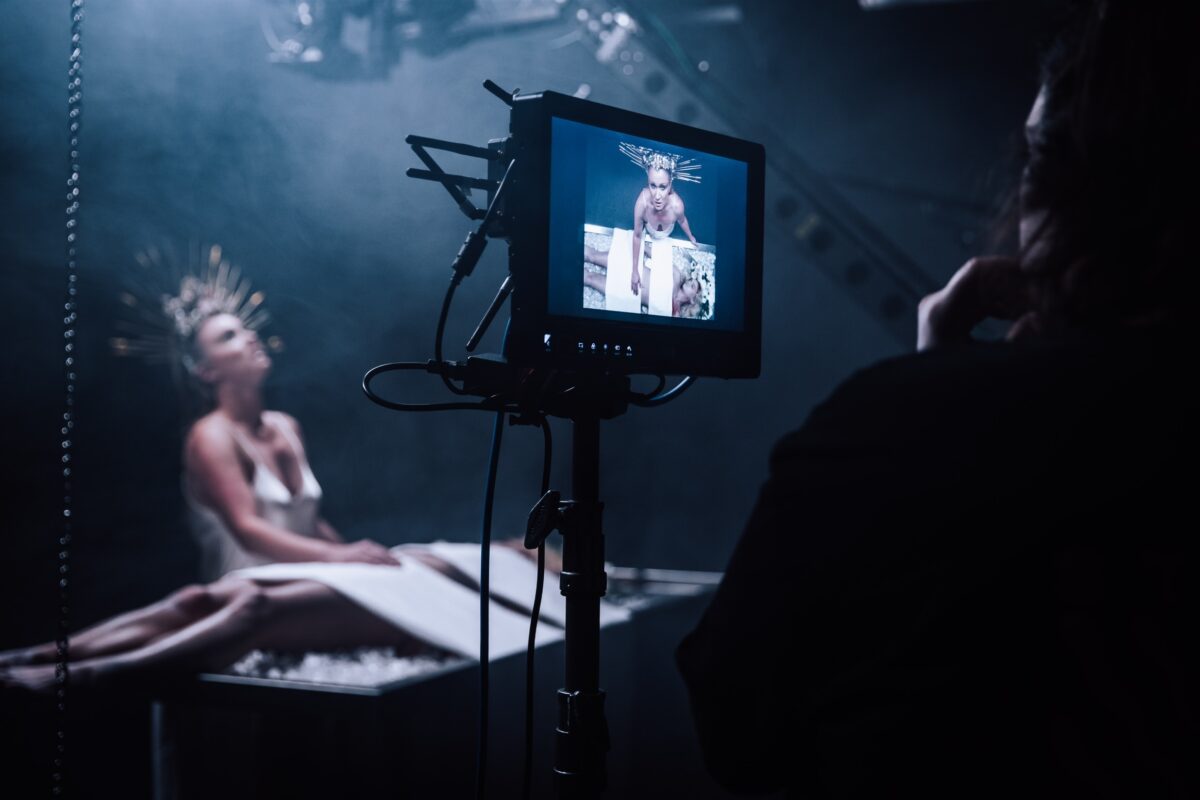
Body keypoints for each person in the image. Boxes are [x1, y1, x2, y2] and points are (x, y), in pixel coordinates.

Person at [676, 3, 1197, 797]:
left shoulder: (895, 425)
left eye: (1033, 159)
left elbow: (739, 722)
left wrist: (931, 403)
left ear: (1069, 184)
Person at [0, 273, 556, 692]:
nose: (249, 340)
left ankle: (70, 668)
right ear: (205, 371)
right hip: (253, 570)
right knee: (208, 599)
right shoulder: (210, 435)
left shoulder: (285, 427)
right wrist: (339, 562)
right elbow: (248, 527)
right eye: (228, 338)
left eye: (245, 330)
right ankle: (52, 661)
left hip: (307, 571)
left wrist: (356, 556)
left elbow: (309, 521)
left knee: (379, 570)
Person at [583, 244, 705, 318]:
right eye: (691, 280)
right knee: (592, 256)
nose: (689, 282)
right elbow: (657, 256)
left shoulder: (674, 313)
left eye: (693, 286)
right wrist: (640, 245)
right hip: (630, 268)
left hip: (625, 293)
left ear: (693, 299)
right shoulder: (676, 275)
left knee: (589, 278)